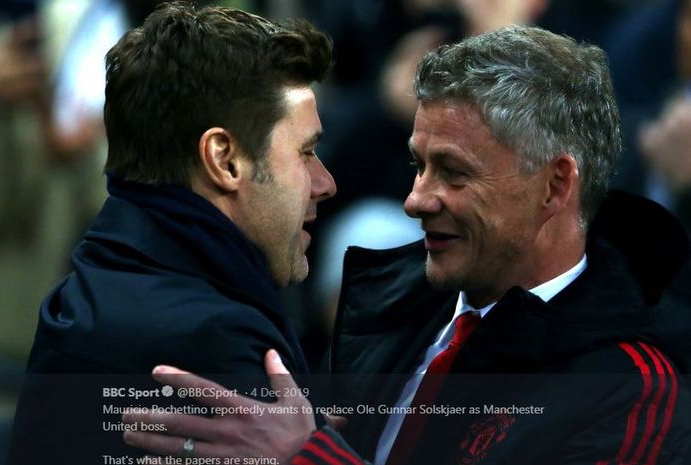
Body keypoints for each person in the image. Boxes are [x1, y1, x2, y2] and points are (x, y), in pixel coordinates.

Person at [122, 25, 691, 465]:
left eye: (453, 172)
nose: (416, 200)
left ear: (555, 184)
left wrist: (306, 457)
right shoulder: (391, 302)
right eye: (418, 166)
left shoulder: (633, 388)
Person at [5, 2, 335, 464]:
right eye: (306, 152)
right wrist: (313, 454)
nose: (325, 183)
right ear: (224, 159)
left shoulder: (83, 291)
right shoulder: (219, 343)